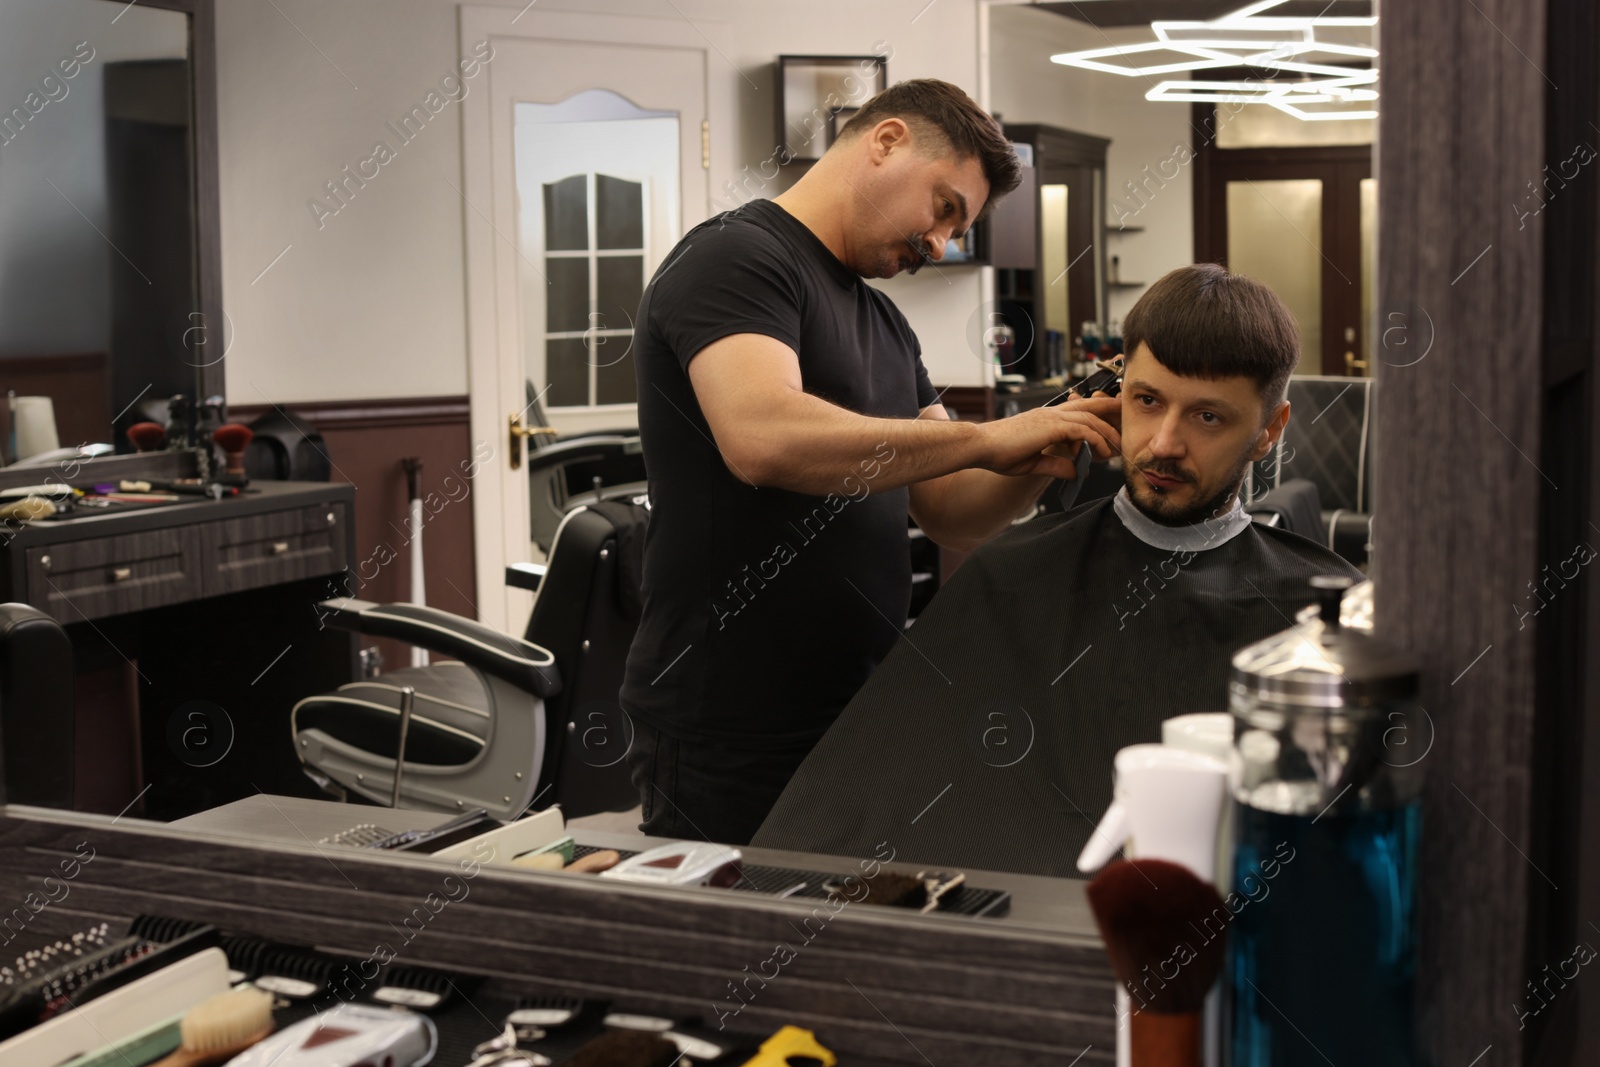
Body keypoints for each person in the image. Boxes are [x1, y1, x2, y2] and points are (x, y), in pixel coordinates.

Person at [620, 79, 1124, 845]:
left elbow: (950, 507)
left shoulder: (883, 320)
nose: (942, 243)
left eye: (959, 227)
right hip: (728, 723)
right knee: (736, 958)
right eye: (946, 207)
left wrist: (1040, 448)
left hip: (858, 710)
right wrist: (991, 436)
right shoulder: (737, 259)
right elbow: (762, 436)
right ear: (885, 142)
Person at [752, 263, 1367, 876]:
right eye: (1147, 401)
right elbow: (855, 823)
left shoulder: (1315, 621)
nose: (1162, 444)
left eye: (1208, 417)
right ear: (1117, 393)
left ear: (1269, 431)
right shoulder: (1011, 576)